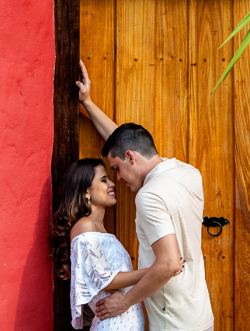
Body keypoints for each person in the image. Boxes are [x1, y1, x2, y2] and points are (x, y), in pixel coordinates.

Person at [76, 60, 214, 331]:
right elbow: (128, 145)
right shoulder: (189, 173)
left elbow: (169, 264)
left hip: (173, 322)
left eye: (116, 169)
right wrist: (88, 103)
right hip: (199, 315)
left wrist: (125, 302)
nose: (118, 178)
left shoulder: (149, 196)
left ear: (130, 157)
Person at [51, 158, 151, 330]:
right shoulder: (84, 227)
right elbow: (103, 281)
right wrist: (155, 271)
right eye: (104, 180)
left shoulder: (101, 231)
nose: (112, 183)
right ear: (86, 191)